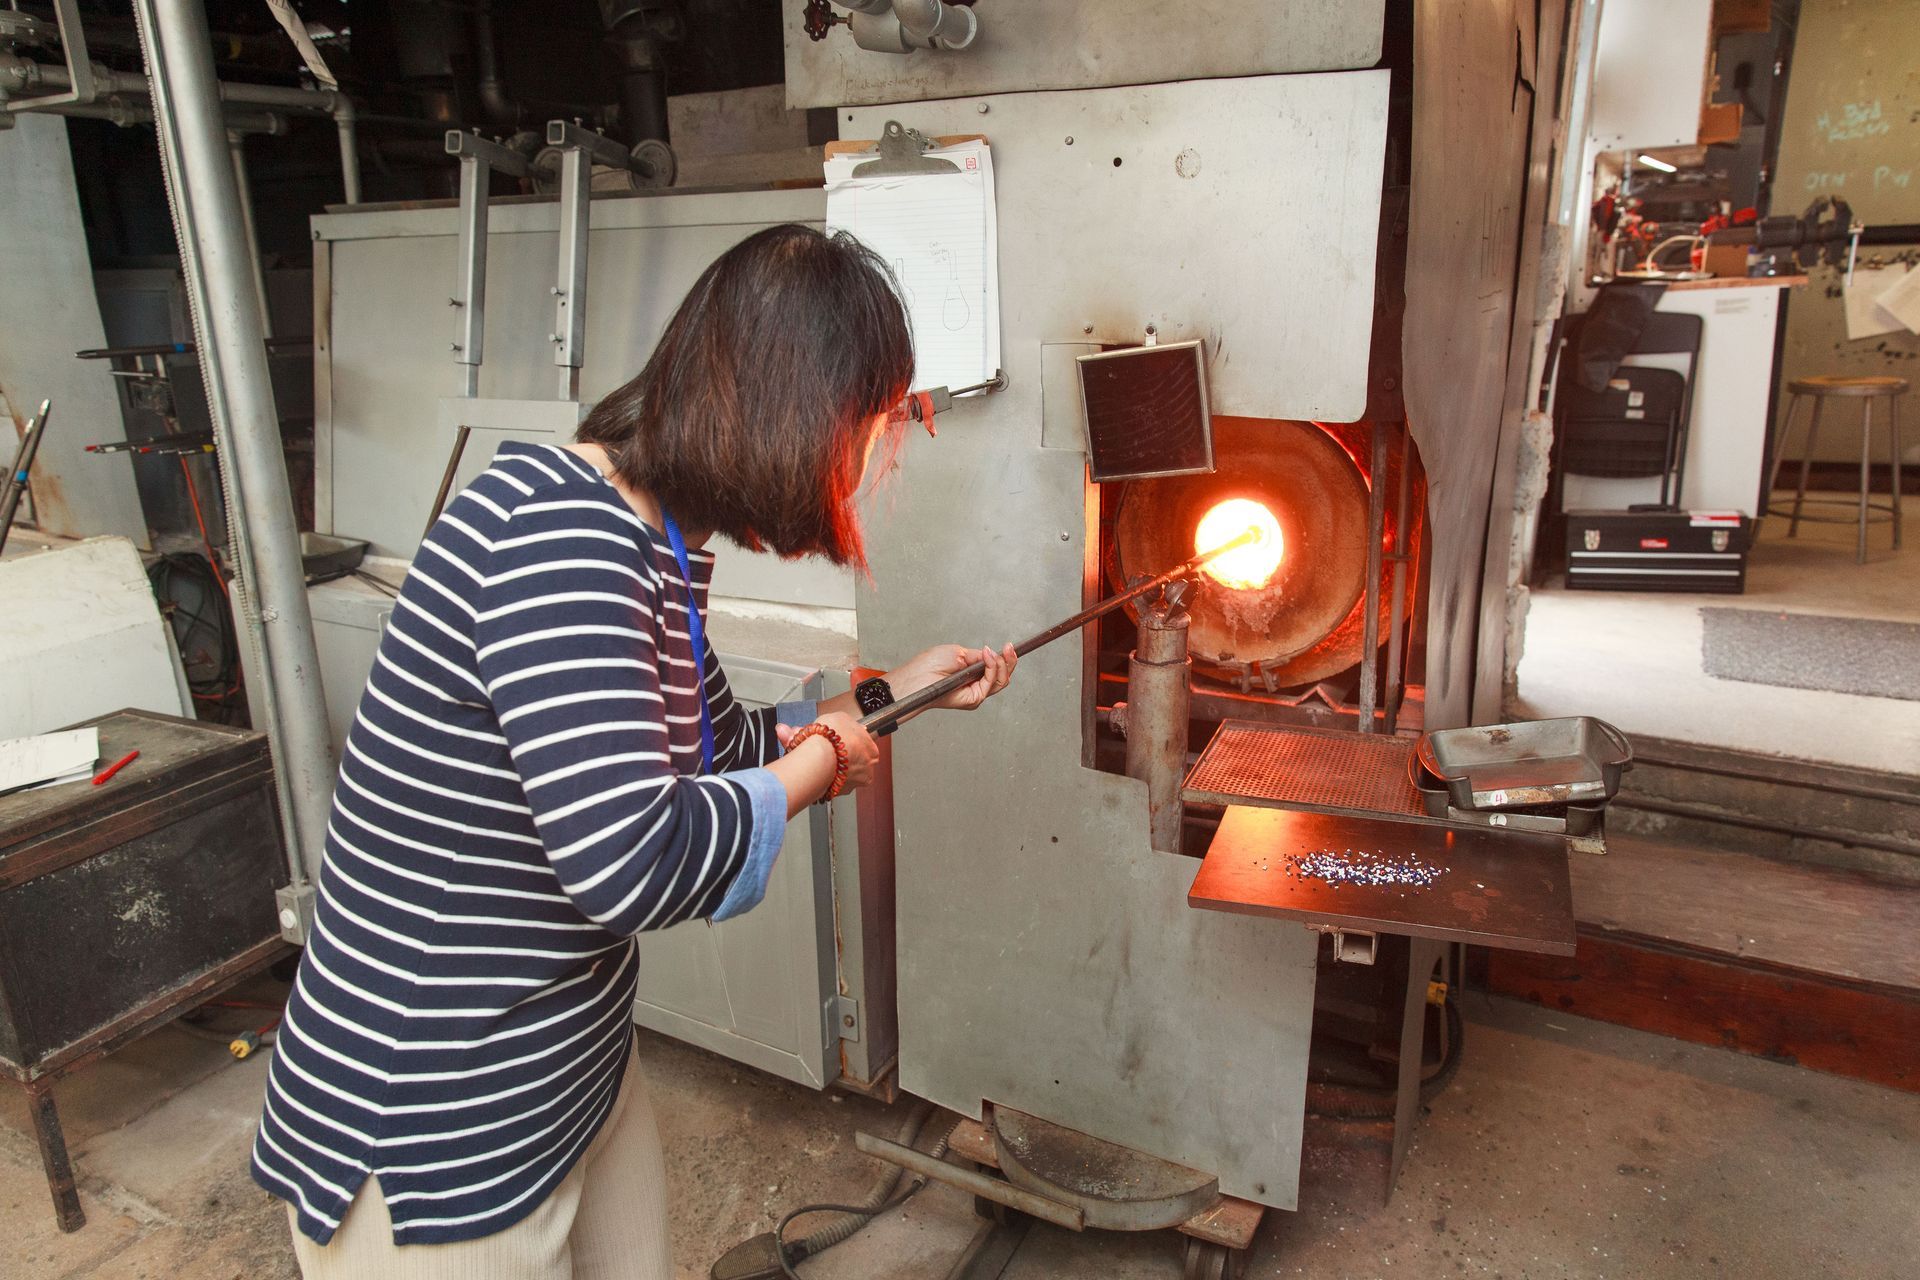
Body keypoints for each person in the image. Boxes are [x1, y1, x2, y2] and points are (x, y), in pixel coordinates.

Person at [252, 224, 1017, 1278]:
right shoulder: (559, 534)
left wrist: (897, 695)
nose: (866, 462)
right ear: (786, 410)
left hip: (565, 1055)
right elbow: (630, 857)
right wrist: (830, 760)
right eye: (865, 426)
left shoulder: (650, 538)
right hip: (439, 1115)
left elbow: (723, 745)